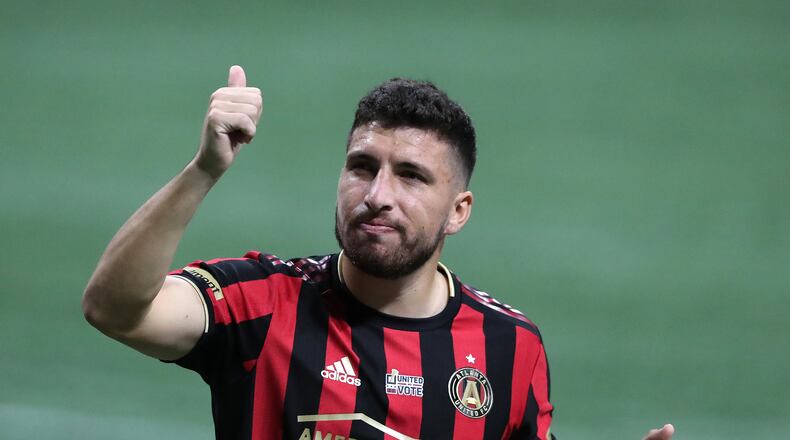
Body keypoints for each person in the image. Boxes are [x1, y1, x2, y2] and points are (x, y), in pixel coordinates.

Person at [83, 66, 675, 440]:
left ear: (459, 210)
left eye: (412, 177)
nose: (376, 196)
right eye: (362, 167)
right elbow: (115, 309)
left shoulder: (510, 348)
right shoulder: (262, 303)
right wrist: (204, 171)